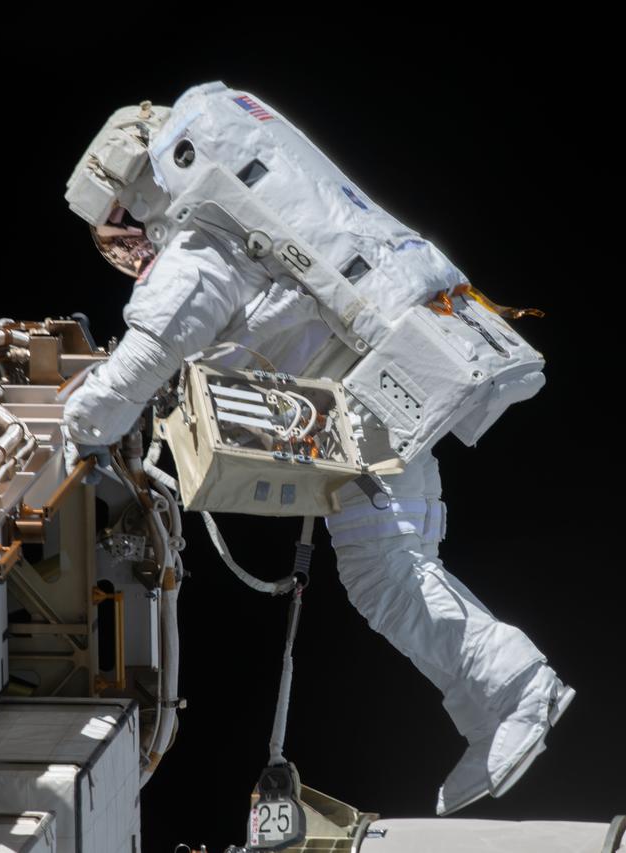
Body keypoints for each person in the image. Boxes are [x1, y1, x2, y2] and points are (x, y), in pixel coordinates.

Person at [61, 83, 574, 815]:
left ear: (134, 191)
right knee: (399, 565)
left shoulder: (201, 242)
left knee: (383, 572)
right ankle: (496, 705)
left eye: (121, 233)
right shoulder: (241, 210)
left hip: (375, 396)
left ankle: (519, 689)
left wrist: (65, 429)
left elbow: (136, 369)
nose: (131, 250)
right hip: (397, 370)